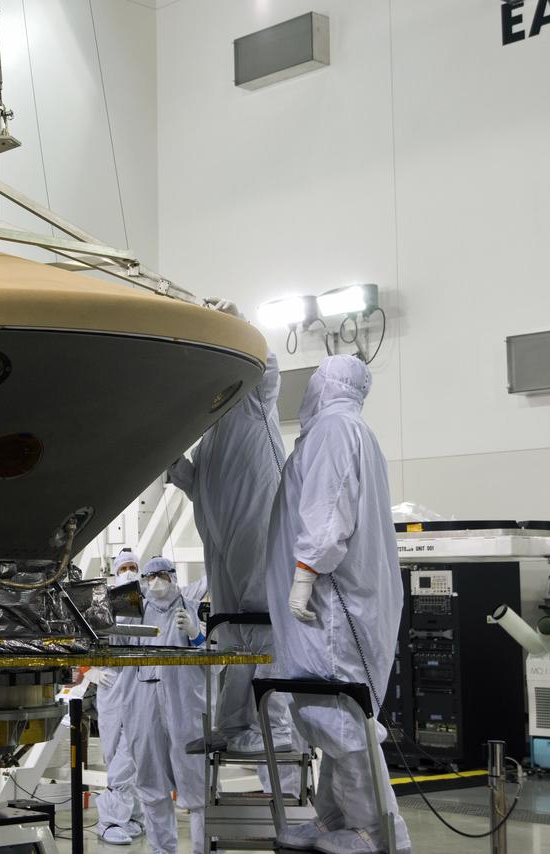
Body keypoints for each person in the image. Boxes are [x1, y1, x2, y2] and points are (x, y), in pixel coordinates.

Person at [266, 355, 411, 854]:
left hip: (330, 604)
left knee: (337, 715)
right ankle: (334, 819)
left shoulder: (334, 428)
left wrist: (305, 574)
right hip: (340, 599)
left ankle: (375, 829)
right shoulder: (350, 429)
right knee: (331, 714)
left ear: (326, 384)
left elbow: (329, 511)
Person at [169, 303, 292, 757]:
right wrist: (168, 459)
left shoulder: (253, 401)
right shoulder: (210, 429)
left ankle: (274, 726)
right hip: (219, 537)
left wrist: (241, 326)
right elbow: (198, 484)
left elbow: (269, 368)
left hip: (257, 526)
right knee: (233, 632)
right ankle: (234, 723)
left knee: (262, 623)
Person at [127, 557, 208, 854]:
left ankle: (206, 849)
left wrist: (196, 635)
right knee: (151, 784)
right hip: (145, 706)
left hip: (185, 706)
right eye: (150, 577)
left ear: (173, 576)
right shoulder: (136, 614)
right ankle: (162, 850)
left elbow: (217, 660)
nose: (156, 581)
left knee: (198, 781)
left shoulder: (193, 608)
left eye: (161, 575)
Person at [92, 549, 145, 845]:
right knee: (114, 752)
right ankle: (128, 815)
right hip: (110, 681)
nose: (128, 572)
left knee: (132, 749)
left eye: (132, 566)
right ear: (115, 571)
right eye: (123, 567)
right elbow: (84, 640)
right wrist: (90, 672)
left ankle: (113, 818)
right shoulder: (102, 601)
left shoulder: (146, 601)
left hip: (138, 680)